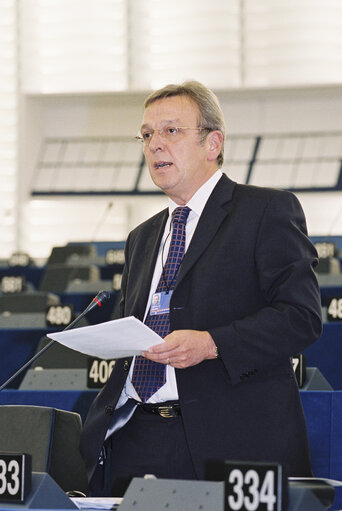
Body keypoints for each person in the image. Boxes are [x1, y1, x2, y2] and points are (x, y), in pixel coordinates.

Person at [80, 81, 322, 496]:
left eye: (171, 131)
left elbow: (301, 318)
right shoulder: (142, 236)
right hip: (134, 436)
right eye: (147, 134)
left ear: (213, 143)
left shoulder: (266, 211)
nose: (155, 144)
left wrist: (212, 343)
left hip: (225, 439)